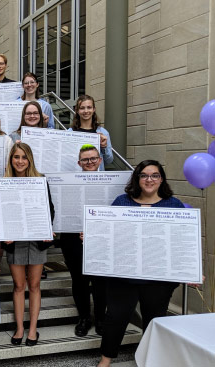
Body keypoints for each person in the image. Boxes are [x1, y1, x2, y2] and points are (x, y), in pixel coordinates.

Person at [97, 160, 184, 367]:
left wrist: (191, 270)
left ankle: (150, 361)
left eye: (154, 175)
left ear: (161, 179)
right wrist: (94, 236)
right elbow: (110, 235)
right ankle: (105, 360)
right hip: (123, 275)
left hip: (158, 278)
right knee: (115, 317)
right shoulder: (122, 202)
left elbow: (181, 242)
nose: (149, 179)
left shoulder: (173, 205)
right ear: (137, 178)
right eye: (144, 175)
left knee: (154, 321)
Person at [4, 142, 54, 347]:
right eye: (16, 157)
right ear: (11, 159)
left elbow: (49, 209)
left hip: (36, 240)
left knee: (34, 285)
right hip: (15, 241)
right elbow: (1, 212)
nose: (20, 161)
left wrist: (47, 230)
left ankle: (33, 329)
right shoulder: (4, 182)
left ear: (30, 159)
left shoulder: (40, 180)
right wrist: (3, 233)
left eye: (24, 157)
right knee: (18, 286)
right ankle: (20, 328)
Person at [59, 145, 106, 338]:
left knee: (100, 280)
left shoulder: (110, 183)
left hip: (101, 238)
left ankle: (101, 318)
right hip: (72, 237)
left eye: (93, 158)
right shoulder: (70, 183)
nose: (90, 162)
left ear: (100, 160)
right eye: (85, 160)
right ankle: (84, 317)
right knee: (79, 280)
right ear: (79, 163)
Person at [69, 94, 114, 170]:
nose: (86, 111)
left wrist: (104, 147)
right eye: (82, 108)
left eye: (89, 107)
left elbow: (109, 161)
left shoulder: (103, 133)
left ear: (94, 109)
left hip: (96, 179)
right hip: (75, 177)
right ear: (77, 110)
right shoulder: (69, 133)